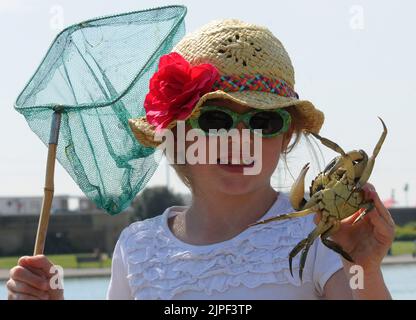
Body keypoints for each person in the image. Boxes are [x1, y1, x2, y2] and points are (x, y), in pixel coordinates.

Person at [7, 19, 395, 300]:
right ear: (176, 134)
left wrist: (364, 267)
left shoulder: (325, 238)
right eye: (215, 120)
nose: (240, 139)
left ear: (287, 136)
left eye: (263, 121)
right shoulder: (137, 247)